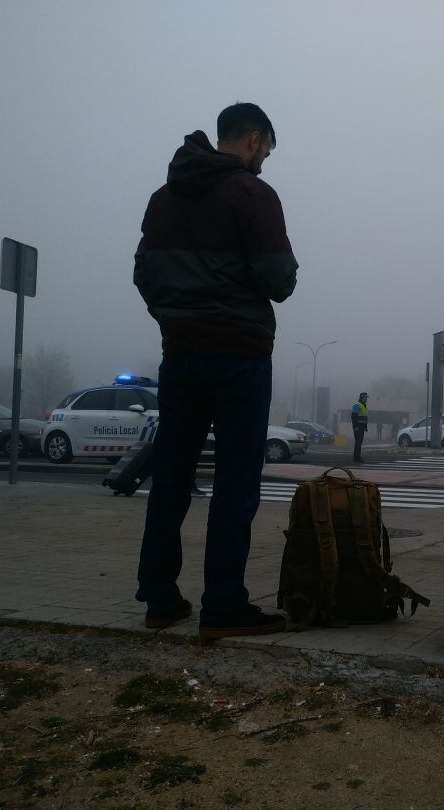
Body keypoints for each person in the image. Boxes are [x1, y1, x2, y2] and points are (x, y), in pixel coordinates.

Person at [133, 103, 298, 639]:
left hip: (180, 355)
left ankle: (160, 598)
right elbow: (278, 279)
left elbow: (144, 274)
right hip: (239, 357)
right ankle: (223, 605)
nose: (265, 160)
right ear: (253, 139)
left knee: (171, 478)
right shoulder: (252, 194)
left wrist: (176, 319)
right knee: (235, 483)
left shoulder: (163, 198)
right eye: (266, 149)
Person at [351, 392, 369, 463]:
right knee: (358, 442)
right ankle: (356, 458)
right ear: (362, 398)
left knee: (359, 442)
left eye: (366, 398)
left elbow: (364, 417)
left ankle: (358, 457)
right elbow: (353, 416)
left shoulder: (364, 406)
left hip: (361, 427)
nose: (366, 399)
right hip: (358, 427)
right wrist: (355, 426)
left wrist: (365, 427)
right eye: (365, 397)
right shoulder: (357, 405)